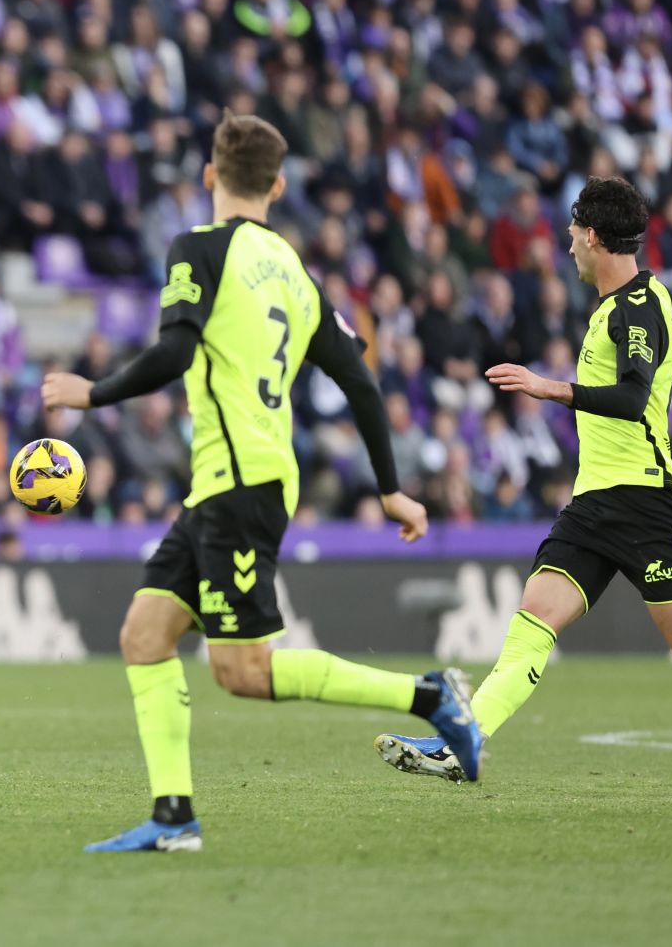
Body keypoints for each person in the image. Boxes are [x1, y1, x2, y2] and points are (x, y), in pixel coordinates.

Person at [42, 115, 478, 852]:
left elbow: (176, 349)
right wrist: (390, 487)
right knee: (145, 635)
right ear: (279, 185)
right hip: (237, 480)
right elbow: (361, 382)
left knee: (242, 669)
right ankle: (174, 818)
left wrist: (94, 393)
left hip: (240, 482)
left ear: (210, 176)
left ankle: (428, 695)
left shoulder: (200, 248)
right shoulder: (295, 273)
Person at [376, 178, 672, 780]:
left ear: (593, 236)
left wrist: (546, 385)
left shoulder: (633, 309)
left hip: (641, 499)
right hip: (593, 503)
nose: (569, 242)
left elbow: (634, 397)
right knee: (535, 613)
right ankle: (464, 743)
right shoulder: (653, 299)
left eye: (575, 230)